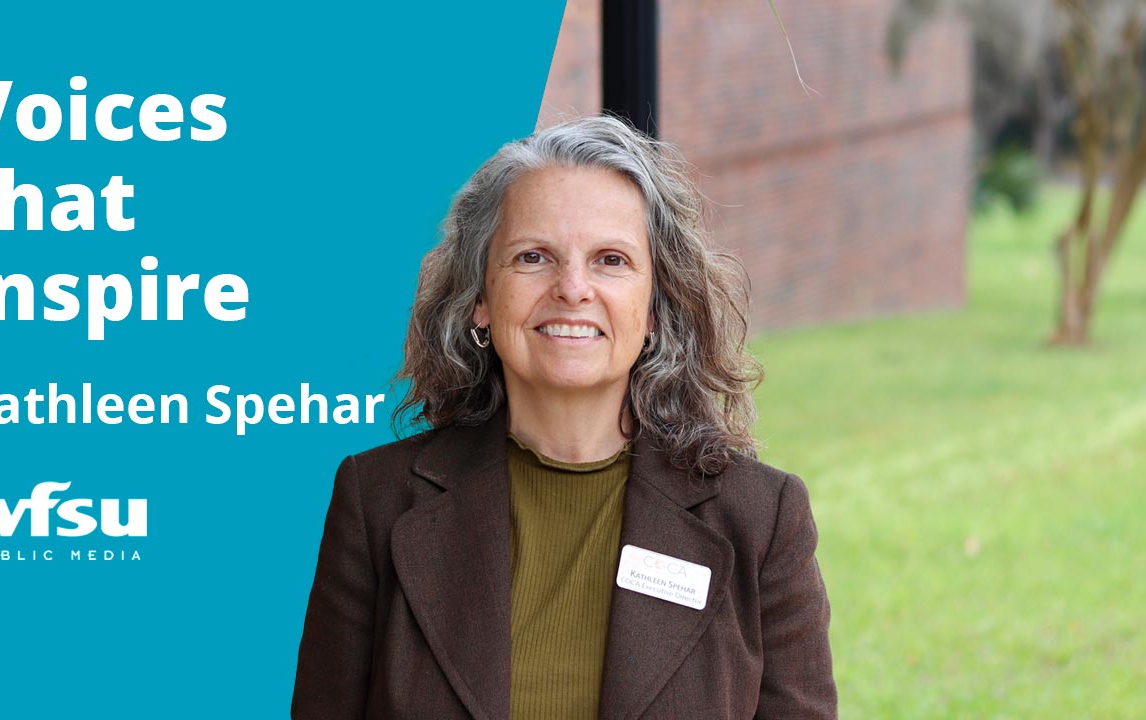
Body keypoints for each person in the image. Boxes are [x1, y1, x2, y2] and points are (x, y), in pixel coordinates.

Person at [291, 115, 836, 719]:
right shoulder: (377, 503)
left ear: (654, 308)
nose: (573, 288)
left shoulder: (761, 521)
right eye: (533, 257)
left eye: (610, 260)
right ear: (480, 299)